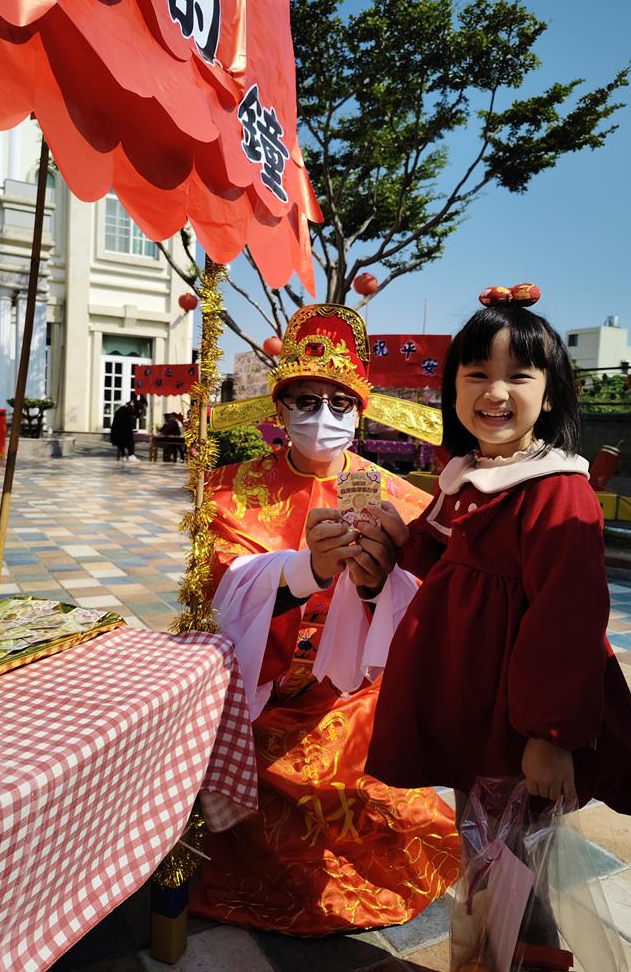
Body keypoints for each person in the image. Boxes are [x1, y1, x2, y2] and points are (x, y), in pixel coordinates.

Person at [365, 286, 631, 952]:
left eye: (518, 376)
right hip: (473, 702)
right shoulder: (469, 474)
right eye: (477, 374)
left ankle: (519, 959)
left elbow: (567, 622)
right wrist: (394, 540)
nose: (494, 392)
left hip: (517, 717)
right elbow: (444, 554)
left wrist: (550, 735)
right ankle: (488, 956)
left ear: (550, 395)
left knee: (514, 866)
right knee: (486, 851)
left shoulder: (558, 491)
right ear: (453, 390)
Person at [189, 304, 459, 935]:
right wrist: (302, 571)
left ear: (359, 413)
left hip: (352, 690)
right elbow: (219, 590)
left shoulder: (400, 499)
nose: (323, 418)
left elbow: (424, 612)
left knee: (384, 796)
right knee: (246, 794)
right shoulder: (227, 490)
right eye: (306, 402)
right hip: (259, 689)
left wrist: (375, 583)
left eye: (340, 404)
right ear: (280, 410)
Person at [109, 394, 140, 462]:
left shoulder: (122, 408)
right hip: (124, 427)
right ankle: (131, 455)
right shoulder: (130, 408)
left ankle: (123, 456)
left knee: (121, 440)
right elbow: (135, 415)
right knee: (129, 440)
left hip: (118, 428)